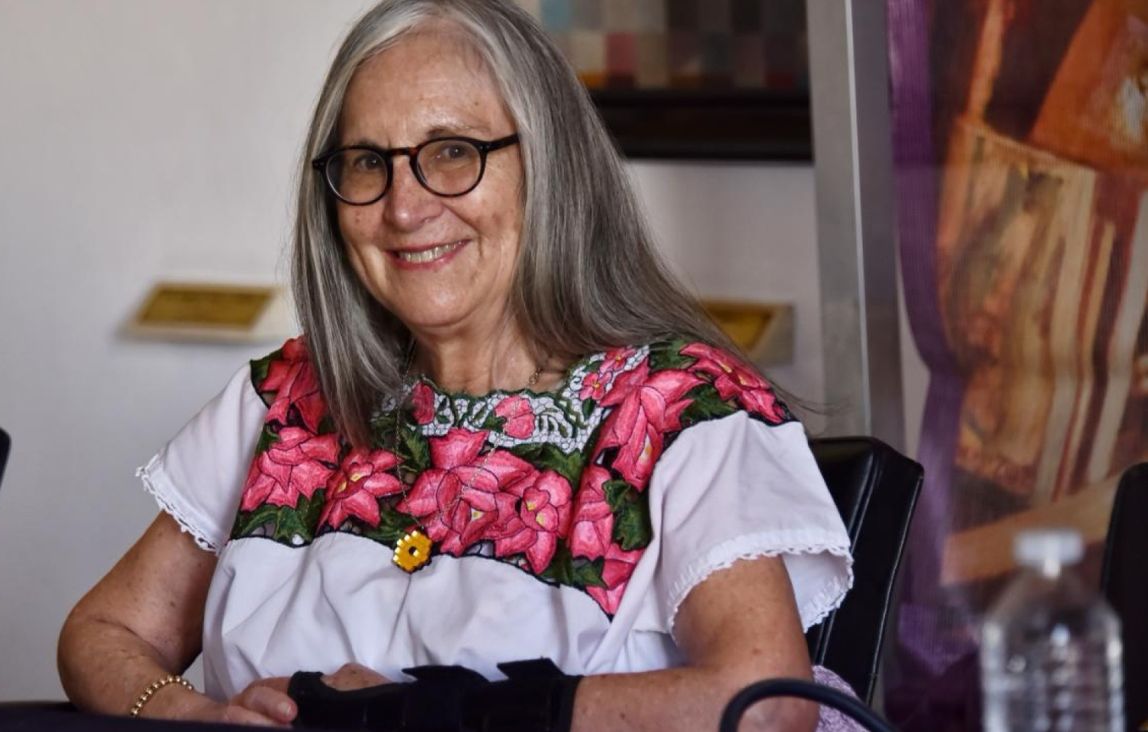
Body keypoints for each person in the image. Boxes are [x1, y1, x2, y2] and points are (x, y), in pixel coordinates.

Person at [58, 1, 857, 730]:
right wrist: (189, 714)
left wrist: (434, 715)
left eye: (452, 152)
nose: (404, 208)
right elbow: (103, 630)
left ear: (547, 167)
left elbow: (764, 705)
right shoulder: (291, 398)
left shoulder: (678, 408)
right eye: (367, 162)